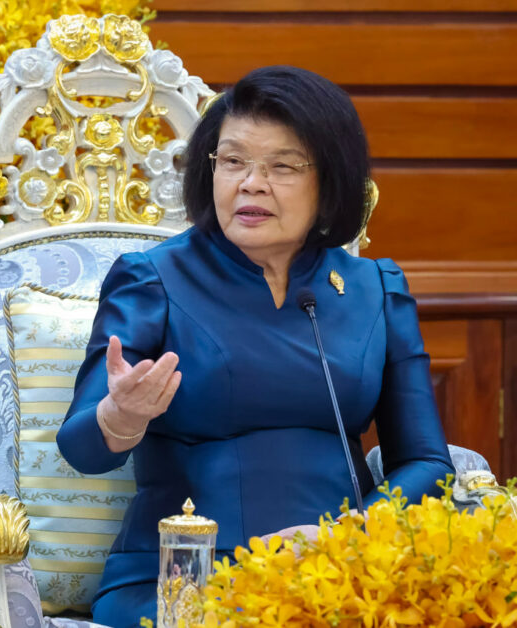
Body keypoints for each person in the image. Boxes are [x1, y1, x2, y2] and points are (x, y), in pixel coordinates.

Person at [56, 65, 455, 627]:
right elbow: (81, 448)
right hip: (184, 579)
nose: (251, 183)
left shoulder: (375, 289)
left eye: (282, 166)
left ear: (330, 181)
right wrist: (120, 418)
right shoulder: (153, 279)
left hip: (339, 570)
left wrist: (350, 534)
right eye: (233, 161)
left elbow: (427, 462)